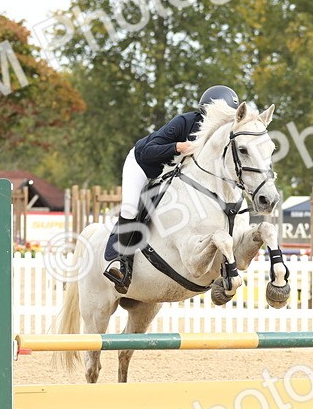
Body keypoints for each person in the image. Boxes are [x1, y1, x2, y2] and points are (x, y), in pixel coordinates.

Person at [103, 85, 240, 293]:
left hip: (172, 171)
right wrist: (177, 147)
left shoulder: (221, 136)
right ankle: (121, 262)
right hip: (143, 164)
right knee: (131, 207)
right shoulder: (185, 122)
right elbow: (149, 151)